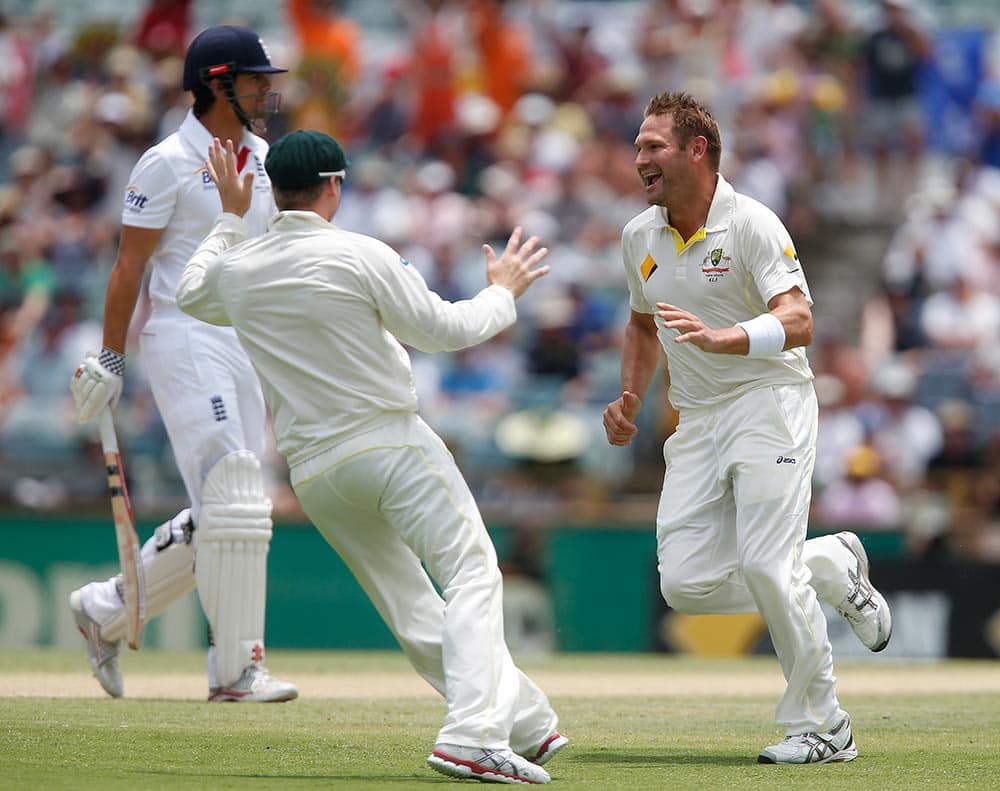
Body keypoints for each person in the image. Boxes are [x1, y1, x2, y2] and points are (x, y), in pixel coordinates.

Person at [176, 129, 565, 785]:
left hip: (317, 472)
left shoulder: (237, 270)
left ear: (273, 190)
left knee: (410, 600)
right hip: (389, 443)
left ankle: (524, 720)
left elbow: (190, 291)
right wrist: (502, 290)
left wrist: (229, 217)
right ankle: (473, 733)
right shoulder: (359, 253)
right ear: (334, 185)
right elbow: (443, 330)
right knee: (471, 571)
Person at [602, 91, 892, 765]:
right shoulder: (637, 236)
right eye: (638, 145)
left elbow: (799, 320)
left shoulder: (754, 223)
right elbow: (644, 324)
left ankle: (825, 726)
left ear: (696, 150)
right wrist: (629, 397)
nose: (638, 157)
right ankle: (828, 564)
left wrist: (729, 337)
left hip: (769, 402)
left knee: (765, 561)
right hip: (698, 421)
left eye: (653, 146)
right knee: (684, 583)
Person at [67, 25, 298, 704]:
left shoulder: (264, 154)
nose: (266, 88)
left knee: (239, 506)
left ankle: (106, 610)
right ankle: (235, 671)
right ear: (215, 83)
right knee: (231, 490)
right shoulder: (165, 162)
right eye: (254, 78)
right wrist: (110, 358)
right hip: (181, 334)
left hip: (243, 343)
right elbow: (129, 267)